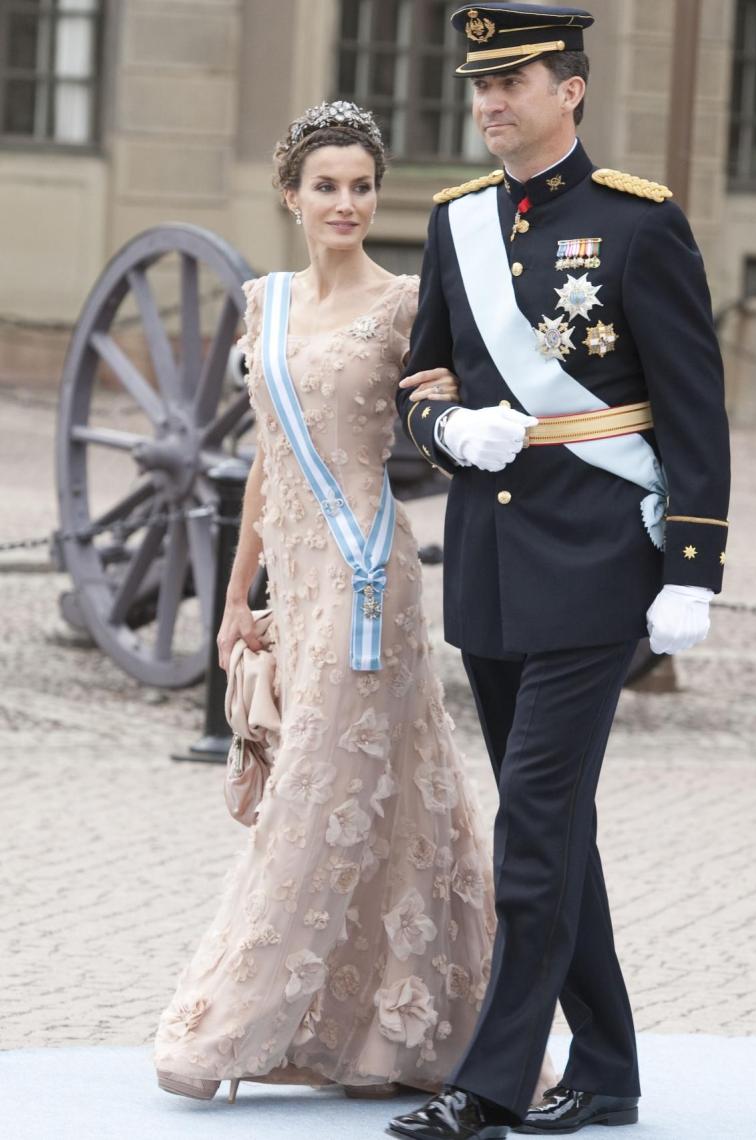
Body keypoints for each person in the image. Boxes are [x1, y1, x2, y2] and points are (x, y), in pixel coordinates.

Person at [153, 100, 556, 1104]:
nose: (347, 203)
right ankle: (380, 1034)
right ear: (291, 194)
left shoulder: (406, 302)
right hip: (296, 575)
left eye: (362, 186)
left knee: (323, 794)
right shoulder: (266, 302)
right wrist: (241, 593)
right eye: (327, 186)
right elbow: (265, 458)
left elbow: (449, 411)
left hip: (370, 576)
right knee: (381, 797)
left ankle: (234, 1020)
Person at [389, 5, 731, 1139]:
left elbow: (693, 406)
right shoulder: (458, 224)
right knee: (558, 828)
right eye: (479, 83)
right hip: (491, 563)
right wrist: (448, 435)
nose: (490, 101)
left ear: (570, 90)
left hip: (596, 560)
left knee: (530, 828)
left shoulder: (639, 224)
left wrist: (694, 564)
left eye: (515, 80)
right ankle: (612, 1070)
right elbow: (422, 376)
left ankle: (490, 1083)